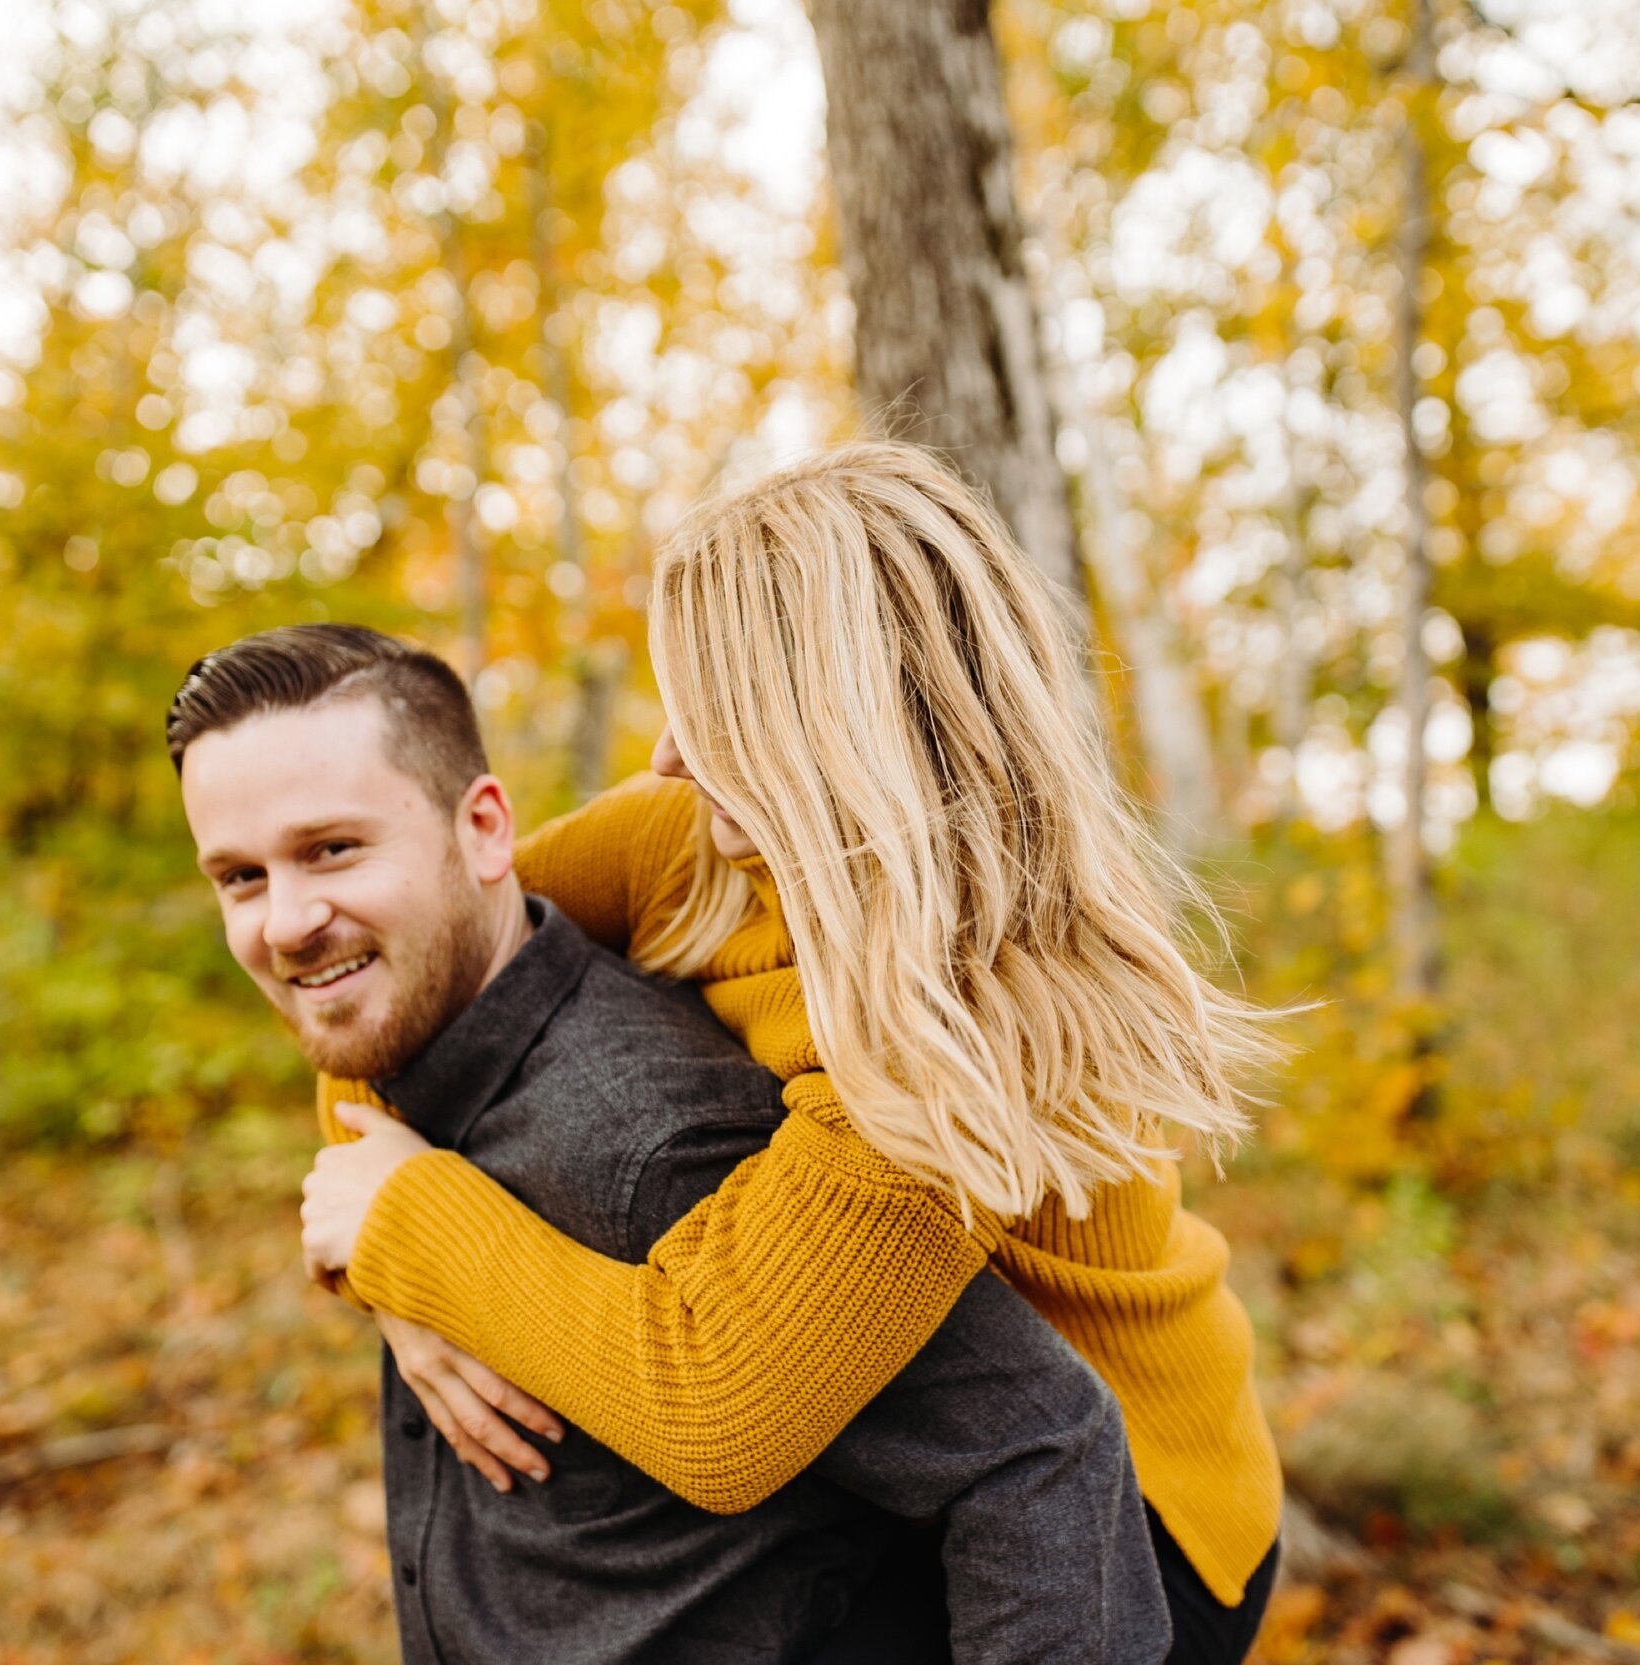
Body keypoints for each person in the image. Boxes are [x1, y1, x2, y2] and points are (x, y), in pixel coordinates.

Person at [300, 442, 1286, 1665]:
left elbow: (718, 1405)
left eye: (707, 711)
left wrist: (411, 1226)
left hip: (1116, 1531)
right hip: (898, 1435)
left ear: (815, 733)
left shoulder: (963, 1026)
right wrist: (404, 1295)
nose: (663, 753)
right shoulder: (686, 842)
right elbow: (407, 964)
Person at [169, 625, 1169, 1664]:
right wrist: (395, 1264)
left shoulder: (688, 1132)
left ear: (481, 831)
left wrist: (414, 1229)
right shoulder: (663, 846)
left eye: (332, 848)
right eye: (239, 877)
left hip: (1173, 1492)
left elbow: (1040, 1446)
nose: (284, 922)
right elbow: (371, 989)